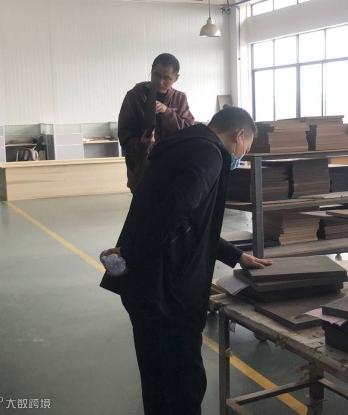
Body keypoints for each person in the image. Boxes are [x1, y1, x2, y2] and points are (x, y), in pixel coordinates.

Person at [100, 106, 272, 415]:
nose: (242, 156)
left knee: (155, 379)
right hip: (167, 291)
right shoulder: (209, 155)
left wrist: (236, 256)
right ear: (238, 136)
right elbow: (174, 213)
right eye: (246, 149)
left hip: (141, 285)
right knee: (184, 385)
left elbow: (192, 223)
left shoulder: (183, 144)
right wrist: (131, 254)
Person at [118, 53, 194, 193]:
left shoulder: (179, 98)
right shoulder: (134, 97)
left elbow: (189, 132)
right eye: (157, 75)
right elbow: (124, 136)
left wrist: (168, 113)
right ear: (151, 70)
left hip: (174, 171)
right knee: (144, 206)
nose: (160, 82)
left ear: (176, 78)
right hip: (142, 171)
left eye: (167, 78)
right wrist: (142, 143)